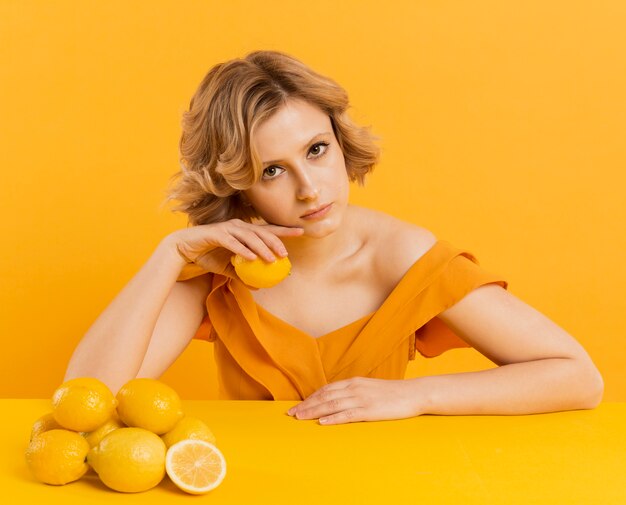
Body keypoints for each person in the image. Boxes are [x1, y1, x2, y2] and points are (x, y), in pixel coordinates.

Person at [64, 49, 604, 425]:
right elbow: (85, 402)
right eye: (271, 170)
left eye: (316, 150)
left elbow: (578, 377)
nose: (309, 188)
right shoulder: (220, 270)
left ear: (341, 141)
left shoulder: (404, 256)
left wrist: (414, 396)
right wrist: (167, 255)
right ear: (239, 188)